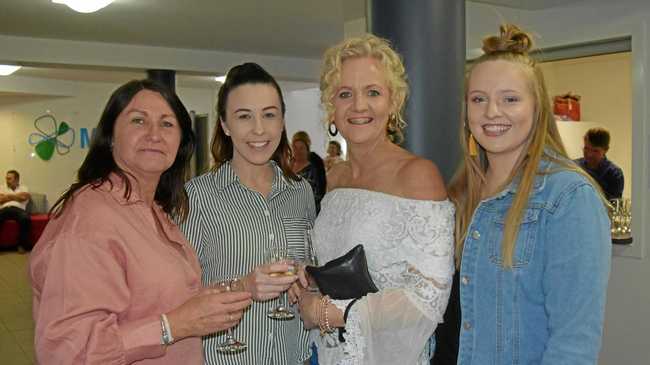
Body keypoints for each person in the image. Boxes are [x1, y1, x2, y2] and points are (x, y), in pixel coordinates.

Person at [29, 79, 252, 365]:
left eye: (167, 124)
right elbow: (68, 352)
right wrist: (174, 326)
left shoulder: (154, 209)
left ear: (181, 143)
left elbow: (154, 298)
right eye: (138, 121)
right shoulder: (89, 218)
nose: (154, 135)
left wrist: (210, 300)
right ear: (110, 136)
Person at [448, 24, 611, 364]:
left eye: (510, 99)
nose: (492, 112)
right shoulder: (462, 193)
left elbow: (573, 345)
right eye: (479, 99)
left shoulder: (567, 198)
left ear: (537, 108)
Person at [291, 34, 455, 365]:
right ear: (331, 106)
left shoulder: (418, 175)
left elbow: (429, 298)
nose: (359, 106)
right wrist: (309, 277)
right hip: (329, 354)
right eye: (345, 94)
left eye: (373, 92)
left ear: (393, 102)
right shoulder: (336, 177)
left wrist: (329, 312)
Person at [180, 63, 315, 365]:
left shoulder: (301, 193)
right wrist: (243, 286)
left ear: (282, 122)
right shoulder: (197, 196)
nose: (258, 129)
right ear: (225, 125)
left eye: (269, 115)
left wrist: (308, 276)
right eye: (244, 116)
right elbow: (179, 297)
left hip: (293, 357)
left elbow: (310, 265)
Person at [575, 127, 624, 200]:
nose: (589, 154)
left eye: (595, 151)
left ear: (606, 150)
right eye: (586, 148)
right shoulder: (574, 166)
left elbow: (613, 206)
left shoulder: (615, 174)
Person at [291, 131, 327, 213]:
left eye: (301, 148)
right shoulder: (289, 164)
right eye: (295, 147)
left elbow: (317, 195)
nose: (298, 151)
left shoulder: (313, 168)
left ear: (307, 149)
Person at [0, 170, 31, 252]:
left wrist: (7, 196)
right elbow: (0, 199)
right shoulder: (1, 187)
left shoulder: (24, 188)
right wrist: (17, 196)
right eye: (6, 178)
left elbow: (24, 197)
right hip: (4, 209)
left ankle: (21, 245)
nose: (7, 181)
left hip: (19, 210)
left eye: (9, 179)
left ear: (17, 179)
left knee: (25, 218)